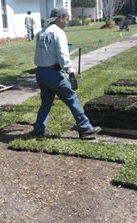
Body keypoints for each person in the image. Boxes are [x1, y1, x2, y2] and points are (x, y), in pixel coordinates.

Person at [32, 7, 101, 139]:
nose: (67, 22)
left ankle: (38, 130)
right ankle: (85, 128)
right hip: (53, 73)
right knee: (71, 98)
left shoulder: (41, 32)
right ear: (60, 18)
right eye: (67, 18)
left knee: (46, 102)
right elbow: (63, 56)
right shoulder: (58, 33)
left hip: (40, 72)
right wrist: (70, 71)